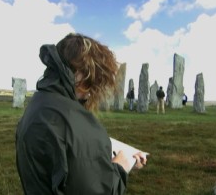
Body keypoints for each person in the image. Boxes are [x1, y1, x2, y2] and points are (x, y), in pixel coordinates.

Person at [15, 33, 147, 195]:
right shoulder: (74, 123)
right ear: (78, 72)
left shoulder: (38, 104)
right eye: (93, 78)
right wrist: (121, 167)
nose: (93, 89)